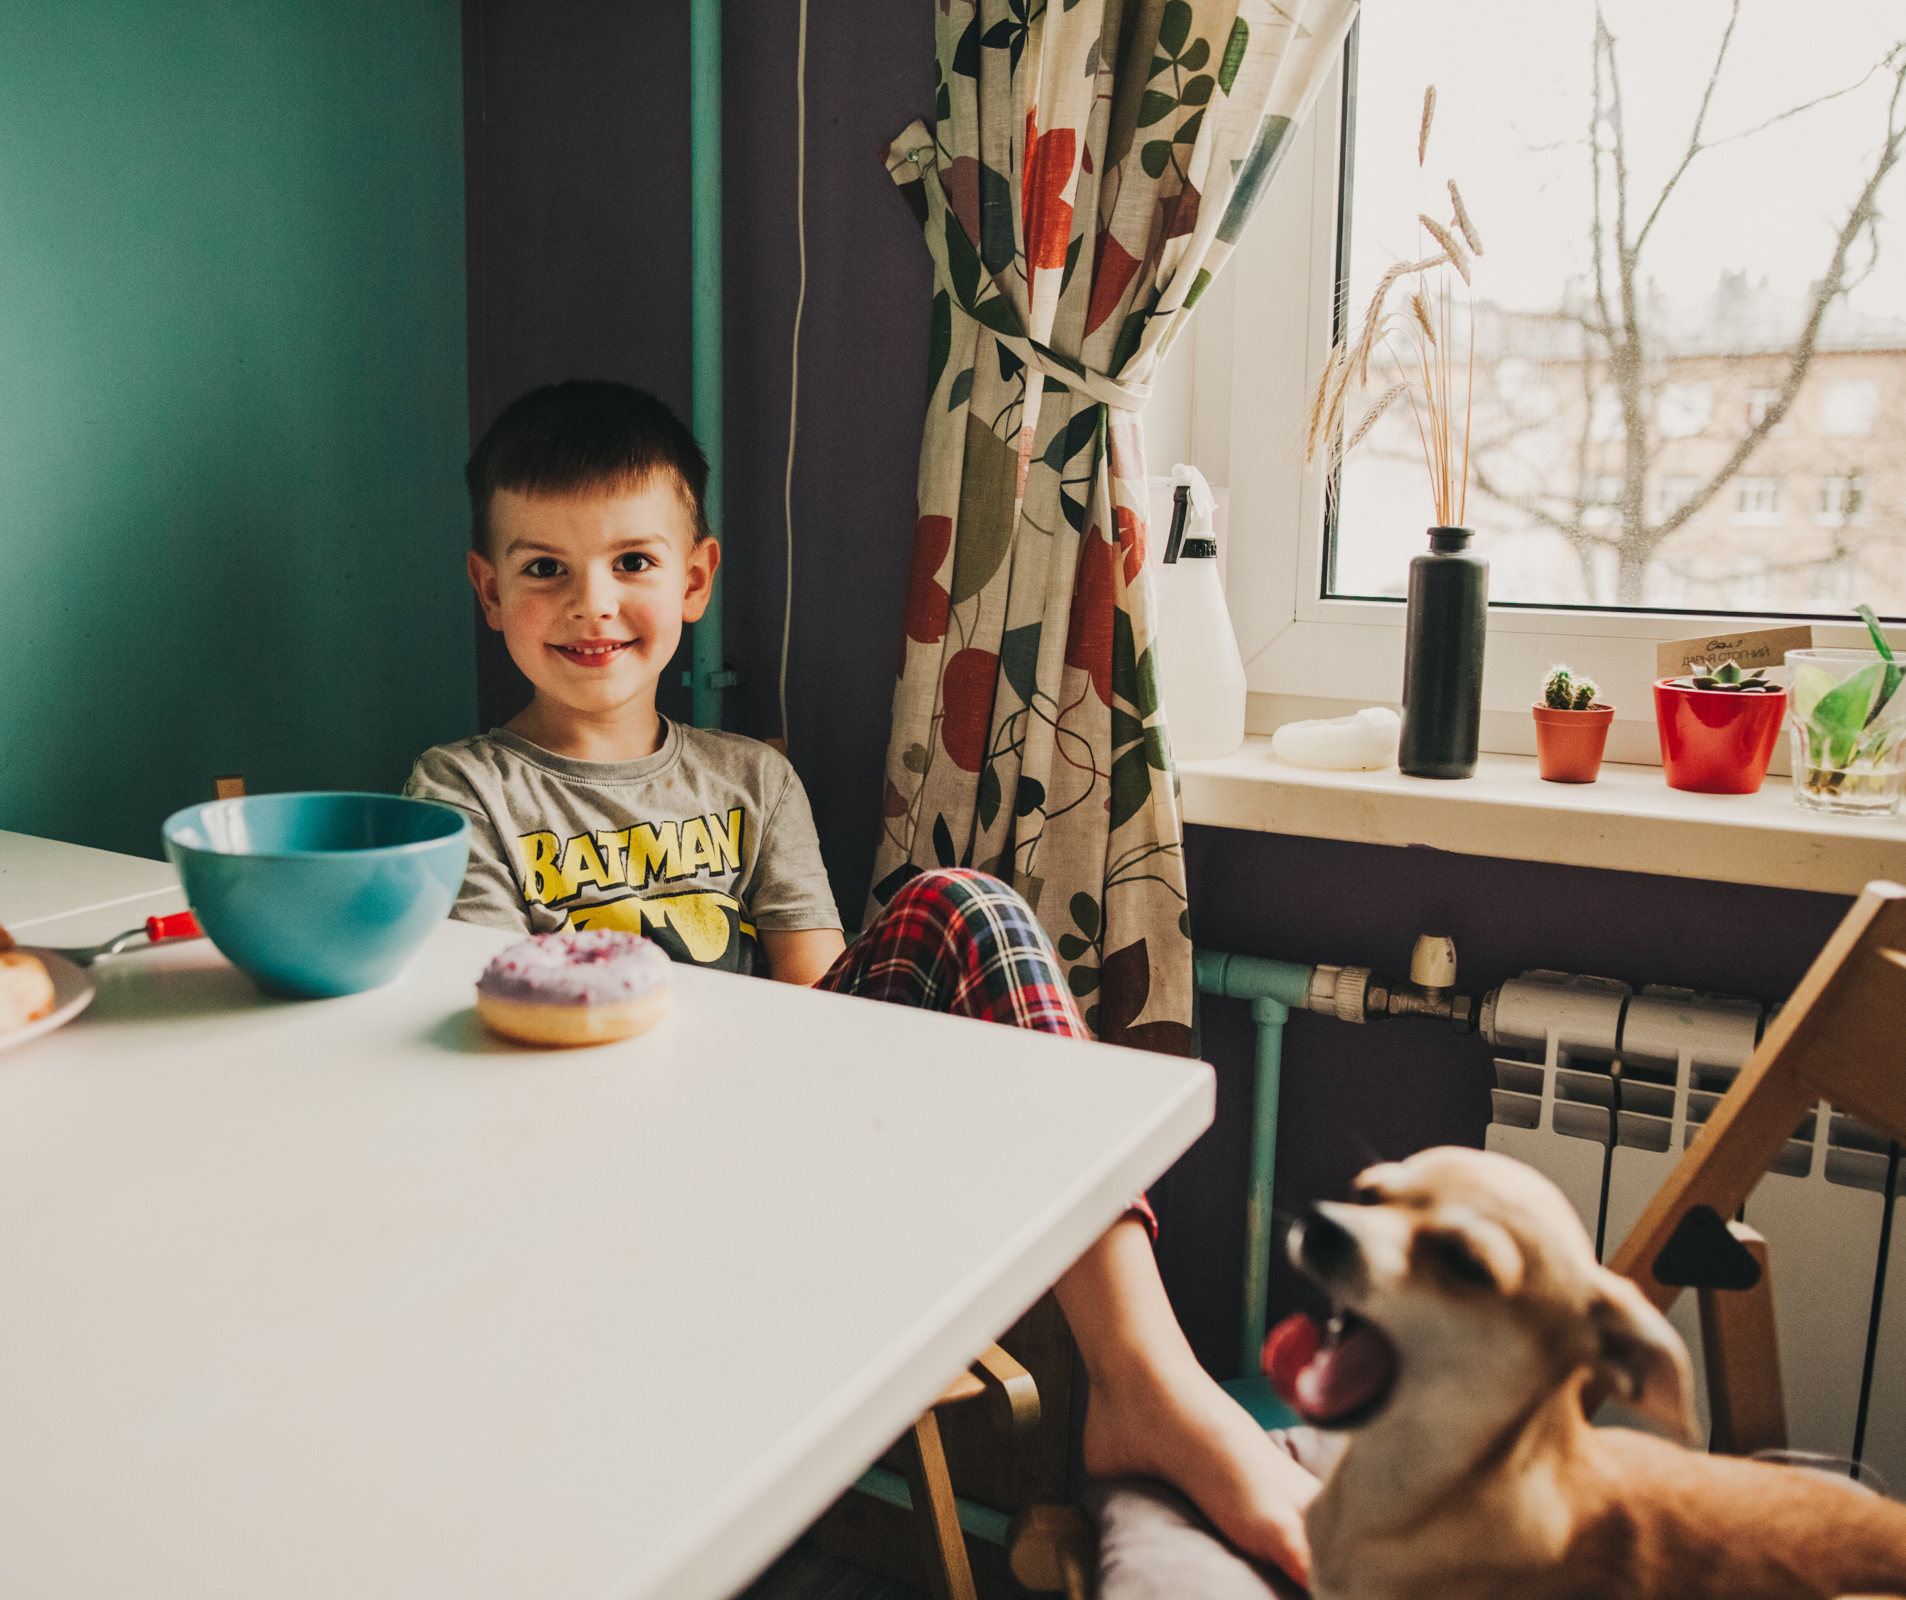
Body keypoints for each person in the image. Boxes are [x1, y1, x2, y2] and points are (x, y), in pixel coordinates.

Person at [405, 380, 1320, 1584]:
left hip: (771, 1147)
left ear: (694, 578)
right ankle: (1144, 1393)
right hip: (587, 1173)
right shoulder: (465, 791)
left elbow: (811, 1014)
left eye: (632, 560)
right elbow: (505, 1035)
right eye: (544, 570)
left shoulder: (748, 781)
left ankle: (1145, 1377)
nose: (592, 605)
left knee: (971, 906)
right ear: (488, 590)